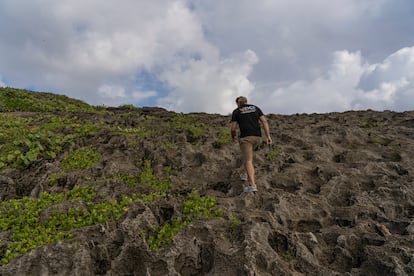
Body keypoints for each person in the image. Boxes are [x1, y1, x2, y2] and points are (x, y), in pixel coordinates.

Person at [230, 96, 272, 192]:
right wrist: (268, 136)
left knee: (248, 160)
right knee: (247, 157)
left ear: (238, 103)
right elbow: (264, 121)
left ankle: (252, 185)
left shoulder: (237, 111)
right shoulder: (255, 108)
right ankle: (244, 174)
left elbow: (233, 128)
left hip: (246, 138)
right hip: (258, 138)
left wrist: (233, 137)